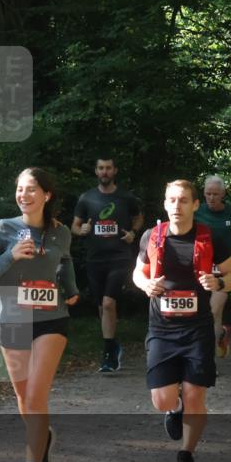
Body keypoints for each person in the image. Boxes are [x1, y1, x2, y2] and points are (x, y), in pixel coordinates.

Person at [0, 168, 80, 462]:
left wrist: (71, 289)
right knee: (24, 398)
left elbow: (65, 262)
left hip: (51, 320)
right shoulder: (4, 229)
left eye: (31, 189)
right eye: (20, 189)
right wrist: (10, 256)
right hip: (12, 321)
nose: (24, 194)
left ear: (47, 195)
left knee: (36, 394)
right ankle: (43, 437)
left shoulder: (60, 231)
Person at [132, 180, 231, 462]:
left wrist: (219, 283)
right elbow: (137, 273)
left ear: (195, 205)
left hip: (197, 329)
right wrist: (146, 285)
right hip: (162, 327)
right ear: (165, 204)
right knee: (162, 399)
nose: (176, 206)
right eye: (171, 200)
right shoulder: (152, 237)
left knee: (196, 394)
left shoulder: (211, 236)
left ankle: (186, 454)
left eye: (183, 200)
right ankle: (173, 408)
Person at [72, 156, 143, 372]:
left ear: (115, 170)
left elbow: (138, 217)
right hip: (95, 259)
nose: (104, 172)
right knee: (103, 307)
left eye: (108, 168)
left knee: (109, 303)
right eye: (101, 168)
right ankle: (113, 345)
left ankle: (108, 354)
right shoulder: (87, 198)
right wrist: (81, 230)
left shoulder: (125, 197)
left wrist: (133, 232)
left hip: (119, 257)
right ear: (96, 171)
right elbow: (75, 226)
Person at [193, 175, 231, 358]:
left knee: (214, 310)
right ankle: (219, 337)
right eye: (208, 194)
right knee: (203, 312)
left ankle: (208, 358)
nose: (211, 198)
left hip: (224, 267)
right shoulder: (196, 212)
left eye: (215, 194)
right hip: (201, 267)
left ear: (223, 194)